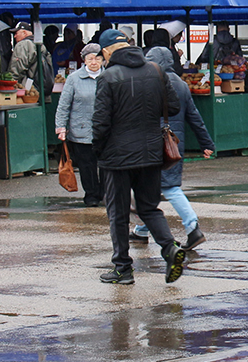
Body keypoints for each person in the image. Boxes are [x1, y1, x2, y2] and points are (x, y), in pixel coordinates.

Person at [92, 29, 186, 286]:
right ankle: (169, 248)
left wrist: (97, 151)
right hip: (151, 152)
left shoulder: (108, 77)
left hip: (116, 157)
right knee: (148, 208)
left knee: (118, 213)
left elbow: (100, 123)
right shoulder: (155, 70)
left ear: (107, 52)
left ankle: (122, 268)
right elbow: (174, 106)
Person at [129, 46, 215, 250]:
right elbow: (194, 117)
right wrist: (206, 143)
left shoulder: (149, 82)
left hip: (151, 142)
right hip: (174, 144)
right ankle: (142, 228)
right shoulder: (182, 84)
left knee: (166, 187)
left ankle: (193, 227)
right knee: (152, 187)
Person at [55, 43, 105, 207]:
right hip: (81, 130)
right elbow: (64, 104)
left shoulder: (109, 76)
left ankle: (104, 193)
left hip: (106, 130)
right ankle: (91, 195)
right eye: (90, 59)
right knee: (87, 165)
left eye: (98, 58)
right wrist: (61, 127)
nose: (94, 62)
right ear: (84, 60)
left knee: (106, 164)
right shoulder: (74, 79)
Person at [10, 22, 53, 94]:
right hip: (41, 89)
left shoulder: (22, 45)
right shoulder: (41, 45)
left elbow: (17, 69)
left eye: (16, 33)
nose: (15, 36)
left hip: (27, 92)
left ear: (24, 33)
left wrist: (11, 84)